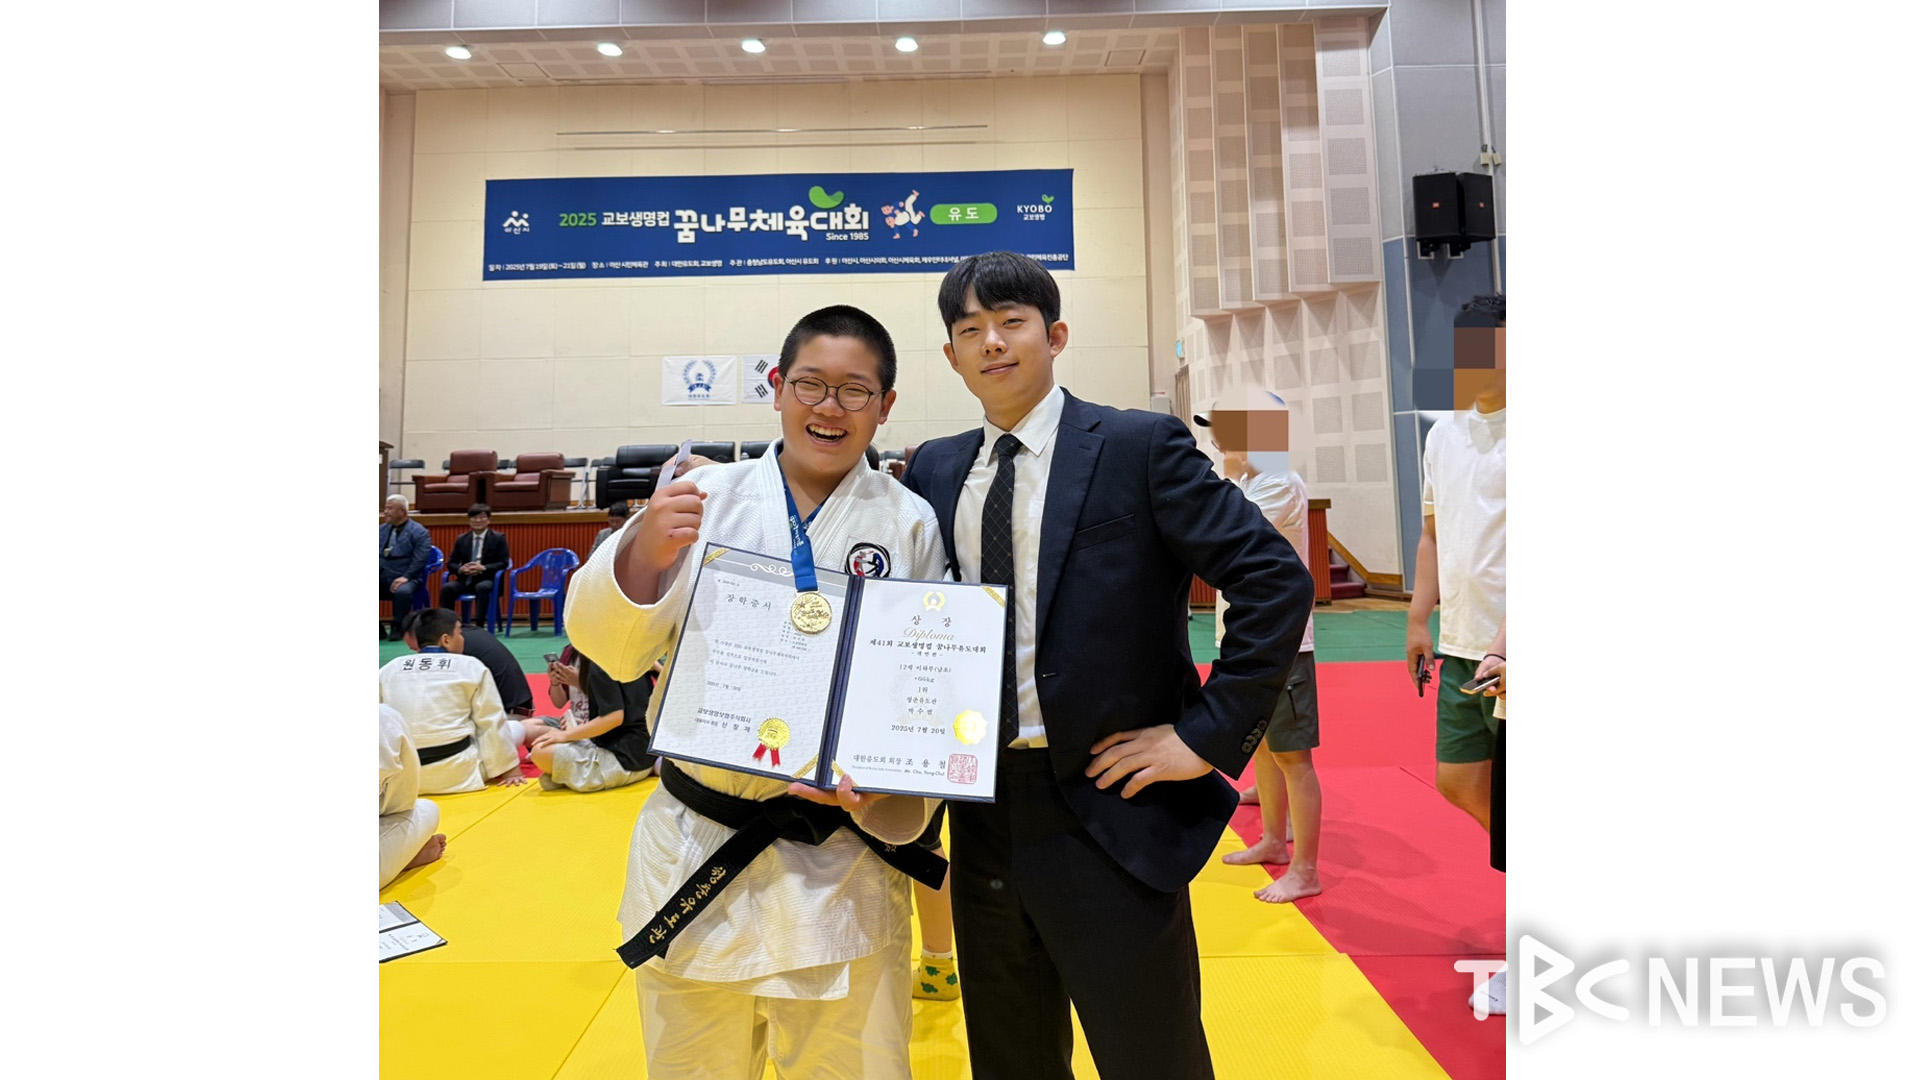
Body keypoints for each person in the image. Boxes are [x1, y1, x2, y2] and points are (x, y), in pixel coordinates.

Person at [899, 252, 1313, 1080]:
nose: (992, 342)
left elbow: (1275, 579)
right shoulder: (936, 467)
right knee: (1009, 1058)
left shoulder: (1135, 445)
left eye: (1011, 322)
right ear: (950, 355)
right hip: (981, 810)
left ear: (1054, 336)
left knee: (1150, 1055)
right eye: (970, 330)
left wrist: (1204, 735)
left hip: (1109, 803)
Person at [565, 305, 948, 1080]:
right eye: (810, 384)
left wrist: (889, 783)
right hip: (697, 848)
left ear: (884, 406)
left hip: (839, 869)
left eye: (854, 390)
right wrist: (644, 550)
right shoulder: (705, 499)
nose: (829, 406)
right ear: (776, 387)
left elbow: (920, 689)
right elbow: (614, 647)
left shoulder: (908, 522)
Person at [1198, 394, 1326, 904]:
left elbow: (1231, 539)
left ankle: (1306, 869)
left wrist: (1228, 478)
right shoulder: (1253, 481)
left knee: (1293, 755)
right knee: (1267, 746)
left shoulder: (1277, 482)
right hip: (1250, 636)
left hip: (1283, 640)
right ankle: (1274, 839)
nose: (1217, 442)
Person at [1405, 295, 1506, 838]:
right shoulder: (1442, 434)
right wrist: (1419, 620)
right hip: (1462, 644)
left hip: (1511, 646)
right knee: (1458, 778)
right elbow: (1432, 534)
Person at [379, 607, 526, 794]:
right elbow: (491, 720)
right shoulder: (471, 666)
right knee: (516, 728)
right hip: (457, 775)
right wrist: (510, 769)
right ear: (446, 640)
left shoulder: (389, 669)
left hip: (401, 779)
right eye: (459, 633)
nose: (462, 638)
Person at [528, 643, 657, 791]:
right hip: (644, 751)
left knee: (539, 751)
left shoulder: (599, 662)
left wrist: (565, 735)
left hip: (624, 758)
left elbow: (614, 717)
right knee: (536, 734)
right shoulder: (632, 652)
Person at [400, 609, 536, 720]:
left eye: (418, 649)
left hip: (509, 717)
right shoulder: (459, 635)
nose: (420, 655)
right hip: (508, 711)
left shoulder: (460, 651)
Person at [380, 704, 445, 888]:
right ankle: (401, 855)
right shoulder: (381, 717)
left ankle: (399, 855)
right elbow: (401, 802)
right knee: (427, 809)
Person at [440, 503, 510, 625]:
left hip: (487, 579)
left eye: (481, 517)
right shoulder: (462, 539)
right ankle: (449, 625)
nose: (478, 521)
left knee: (481, 588)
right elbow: (451, 563)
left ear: (488, 520)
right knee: (447, 588)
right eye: (474, 517)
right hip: (465, 579)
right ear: (469, 520)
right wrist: (461, 569)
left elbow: (504, 563)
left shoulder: (498, 538)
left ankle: (479, 625)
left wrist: (483, 568)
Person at [380, 495, 432, 641]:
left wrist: (406, 577)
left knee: (402, 591)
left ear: (402, 511)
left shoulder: (419, 532)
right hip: (382, 574)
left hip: (408, 576)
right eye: (385, 508)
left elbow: (420, 559)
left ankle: (399, 626)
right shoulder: (381, 530)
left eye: (390, 508)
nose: (386, 512)